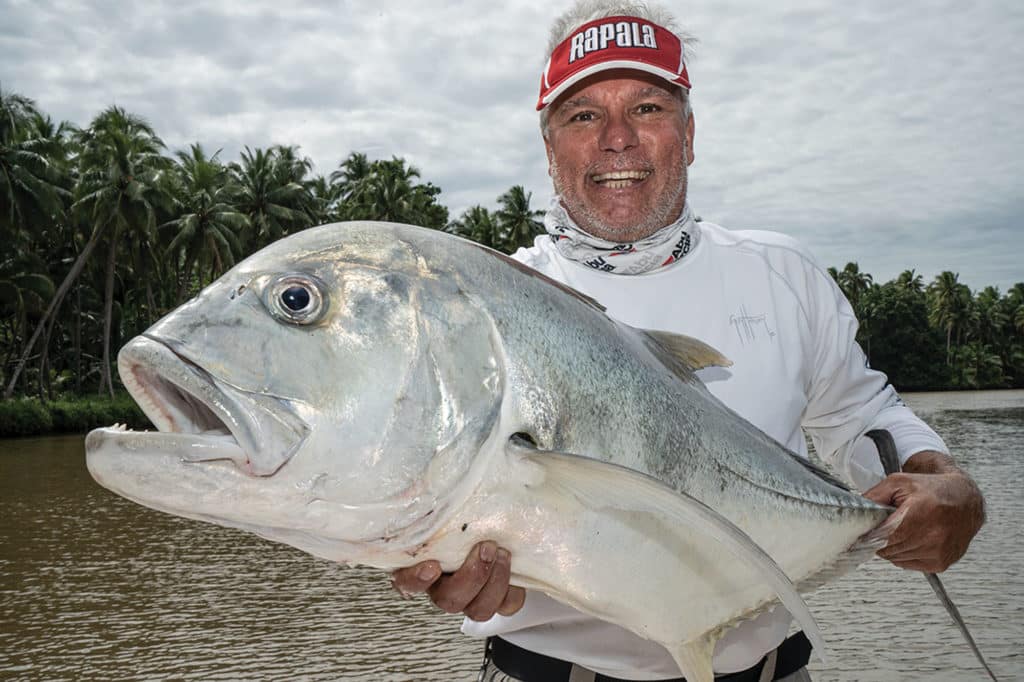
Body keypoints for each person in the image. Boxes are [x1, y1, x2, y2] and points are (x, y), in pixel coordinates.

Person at [392, 2, 986, 680]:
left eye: (647, 108)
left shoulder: (781, 275)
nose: (618, 138)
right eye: (583, 115)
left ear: (690, 133)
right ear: (550, 145)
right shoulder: (484, 307)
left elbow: (865, 419)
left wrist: (948, 485)